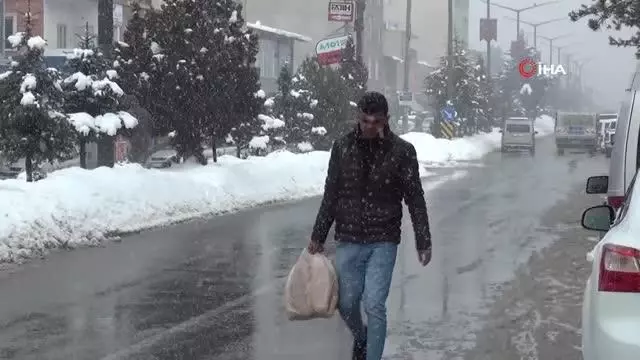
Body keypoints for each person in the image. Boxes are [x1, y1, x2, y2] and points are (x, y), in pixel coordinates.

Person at [307, 91, 432, 360]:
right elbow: (331, 193)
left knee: (374, 304)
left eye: (376, 121)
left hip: (383, 240)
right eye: (365, 120)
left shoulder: (402, 152)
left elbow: (415, 198)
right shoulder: (342, 148)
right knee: (346, 302)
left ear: (387, 120)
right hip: (349, 238)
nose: (369, 126)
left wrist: (423, 240)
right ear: (358, 117)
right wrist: (318, 234)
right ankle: (361, 337)